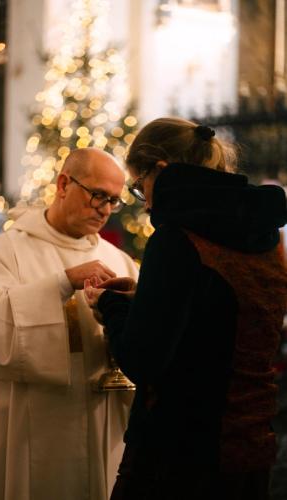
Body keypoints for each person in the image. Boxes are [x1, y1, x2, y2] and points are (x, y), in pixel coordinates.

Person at [84, 117, 287, 500]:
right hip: (251, 444)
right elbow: (221, 318)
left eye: (140, 186)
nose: (145, 205)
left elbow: (143, 358)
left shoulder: (177, 239)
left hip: (181, 454)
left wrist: (110, 304)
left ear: (161, 170)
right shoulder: (265, 233)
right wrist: (144, 300)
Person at [0, 147, 138, 500]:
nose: (105, 209)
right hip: (35, 430)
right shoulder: (6, 253)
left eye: (114, 201)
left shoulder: (118, 260)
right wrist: (62, 283)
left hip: (104, 423)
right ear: (63, 184)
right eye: (98, 195)